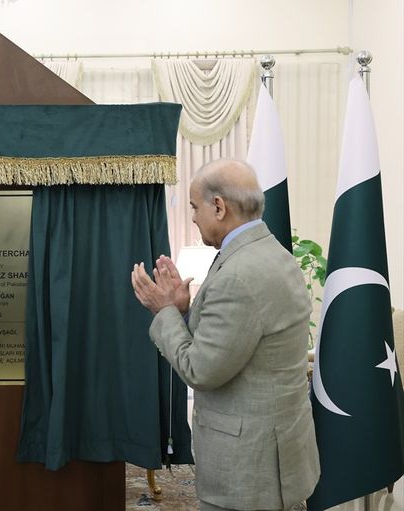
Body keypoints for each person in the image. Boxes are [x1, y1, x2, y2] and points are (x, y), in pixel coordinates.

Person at [130, 159, 320, 511]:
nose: (192, 217)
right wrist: (184, 310)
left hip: (248, 473)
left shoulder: (238, 273)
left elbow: (200, 369)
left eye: (194, 207)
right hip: (276, 457)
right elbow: (236, 339)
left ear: (218, 206)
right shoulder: (272, 253)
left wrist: (164, 312)